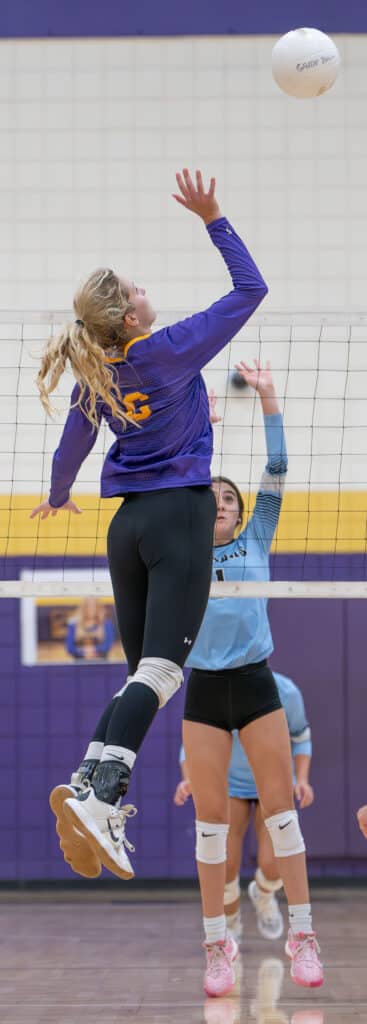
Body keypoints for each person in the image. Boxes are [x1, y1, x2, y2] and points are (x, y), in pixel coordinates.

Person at [30, 168, 267, 884]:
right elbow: (249, 291)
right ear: (130, 317)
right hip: (178, 515)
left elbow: (74, 443)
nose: (142, 291)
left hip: (127, 524)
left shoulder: (97, 370)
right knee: (164, 671)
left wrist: (58, 493)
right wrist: (214, 218)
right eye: (134, 289)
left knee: (144, 672)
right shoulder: (165, 350)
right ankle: (106, 798)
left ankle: (86, 778)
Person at [180, 364, 323, 995]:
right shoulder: (182, 543)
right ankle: (217, 944)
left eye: (229, 498)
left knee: (283, 814)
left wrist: (269, 400)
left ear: (241, 513)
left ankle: (304, 934)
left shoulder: (257, 534)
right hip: (206, 689)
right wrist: (198, 424)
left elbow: (278, 470)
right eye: (210, 497)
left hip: (257, 683)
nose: (220, 503)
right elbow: (178, 484)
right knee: (211, 828)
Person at [175, 671, 314, 943]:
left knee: (274, 864)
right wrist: (189, 779)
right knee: (225, 862)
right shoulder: (213, 689)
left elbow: (301, 736)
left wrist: (303, 780)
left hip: (272, 781)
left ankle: (263, 893)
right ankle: (230, 920)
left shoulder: (286, 692)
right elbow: (190, 746)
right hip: (230, 783)